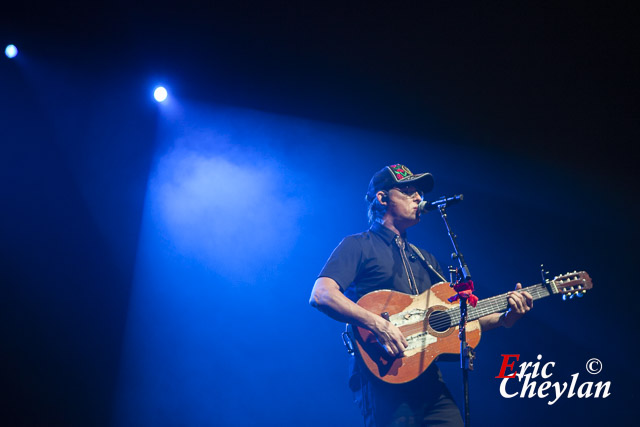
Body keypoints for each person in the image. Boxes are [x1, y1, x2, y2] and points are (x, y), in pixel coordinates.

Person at [309, 164, 533, 427]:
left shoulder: (426, 259)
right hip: (383, 374)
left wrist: (506, 317)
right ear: (382, 199)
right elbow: (321, 294)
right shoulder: (358, 245)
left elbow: (459, 319)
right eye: (407, 191)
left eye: (418, 192)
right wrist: (378, 324)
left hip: (429, 380)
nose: (418, 198)